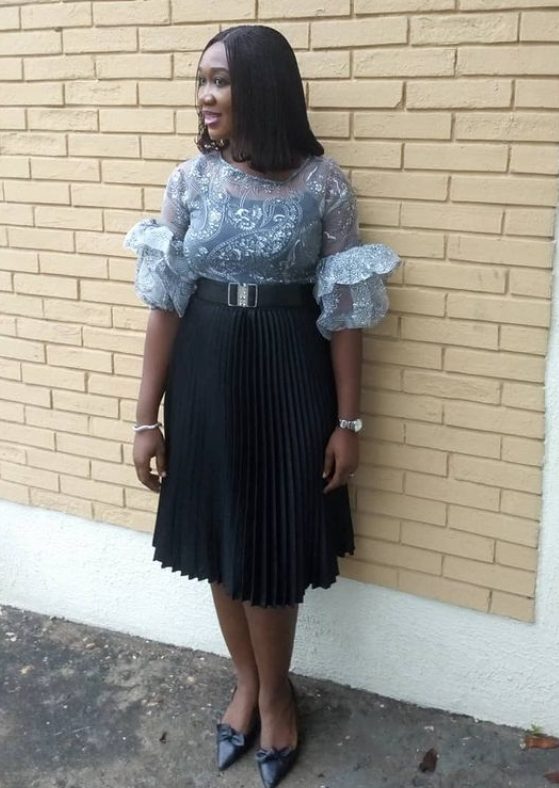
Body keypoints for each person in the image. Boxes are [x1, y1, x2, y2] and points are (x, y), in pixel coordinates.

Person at [123, 24, 400, 788]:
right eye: (201, 80)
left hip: (289, 372)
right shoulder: (189, 181)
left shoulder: (323, 184)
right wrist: (146, 418)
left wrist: (347, 423)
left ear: (264, 87)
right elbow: (165, 306)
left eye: (221, 80)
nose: (205, 96)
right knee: (222, 532)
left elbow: (345, 313)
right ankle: (244, 683)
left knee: (272, 538)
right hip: (205, 371)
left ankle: (277, 697)